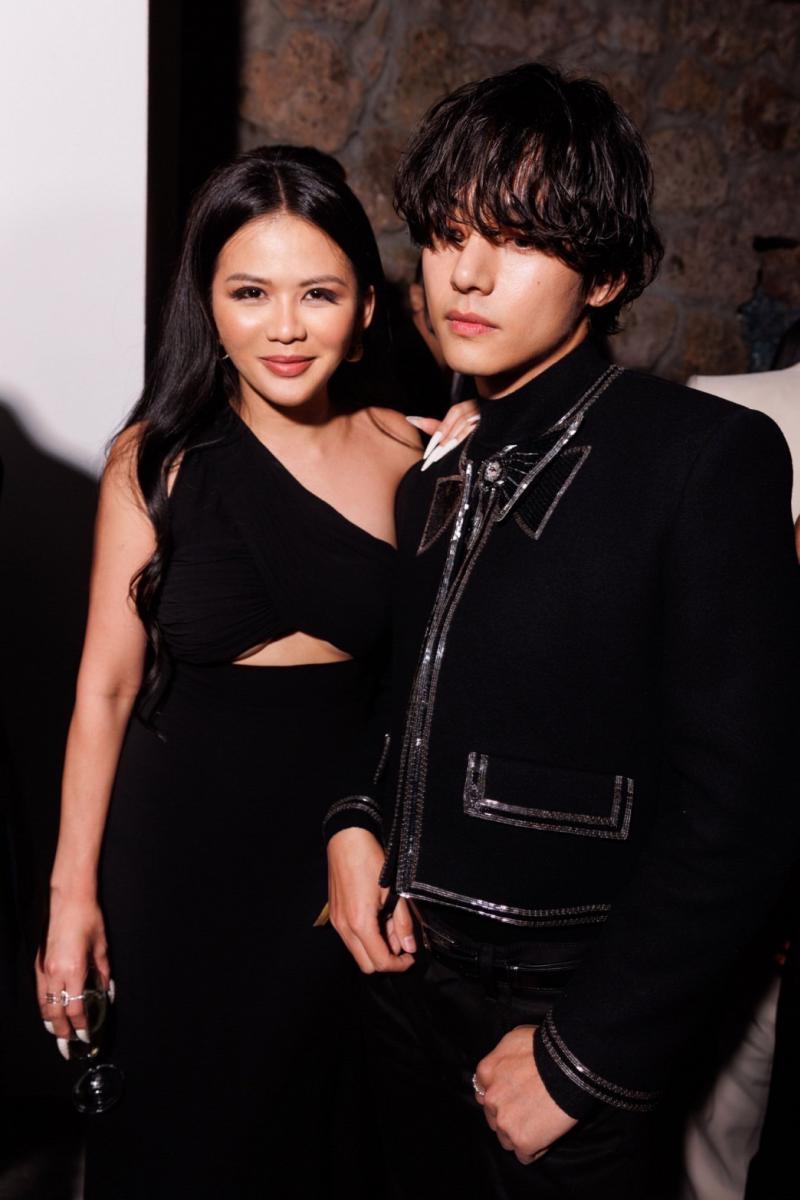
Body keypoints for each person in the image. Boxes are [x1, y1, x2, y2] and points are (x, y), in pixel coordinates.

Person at [326, 63, 800, 1200]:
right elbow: (400, 693)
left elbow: (743, 809)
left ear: (608, 273)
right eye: (446, 234)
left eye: (519, 238)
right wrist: (354, 820)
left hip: (562, 1009)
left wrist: (583, 1057)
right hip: (401, 986)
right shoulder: (435, 468)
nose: (467, 273)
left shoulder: (702, 457)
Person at [35, 144, 474, 1199]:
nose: (285, 327)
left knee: (316, 1144)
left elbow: (436, 684)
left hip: (334, 861)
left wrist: (476, 455)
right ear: (208, 304)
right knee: (173, 1144)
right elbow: (103, 689)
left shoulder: (413, 456)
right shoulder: (154, 462)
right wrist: (70, 897)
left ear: (366, 310)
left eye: (317, 293)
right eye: (250, 293)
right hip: (171, 863)